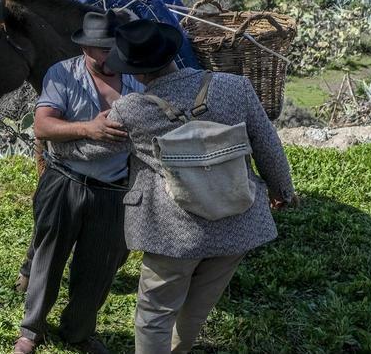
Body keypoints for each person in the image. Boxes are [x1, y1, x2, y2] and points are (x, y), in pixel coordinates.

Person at [107, 20, 298, 354]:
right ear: (172, 55)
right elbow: (268, 145)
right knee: (197, 308)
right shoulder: (235, 87)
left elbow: (92, 151)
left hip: (172, 234)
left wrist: (62, 135)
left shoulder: (130, 110)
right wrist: (281, 191)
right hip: (236, 223)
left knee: (155, 314)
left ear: (136, 72)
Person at [13, 9, 142, 354]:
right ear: (85, 48)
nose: (111, 56)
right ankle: (31, 331)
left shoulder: (136, 79)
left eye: (116, 48)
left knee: (99, 268)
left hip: (113, 189)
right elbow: (42, 126)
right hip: (64, 181)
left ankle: (78, 331)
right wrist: (89, 128)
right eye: (104, 50)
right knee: (48, 258)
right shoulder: (63, 74)